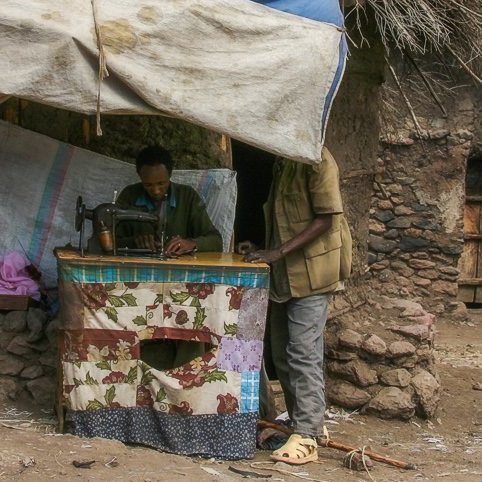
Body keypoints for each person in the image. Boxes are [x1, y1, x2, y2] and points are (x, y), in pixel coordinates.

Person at [245, 147, 352, 465]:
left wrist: (277, 252)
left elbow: (326, 218)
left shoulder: (318, 160)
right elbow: (285, 220)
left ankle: (308, 434)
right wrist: (265, 249)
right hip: (286, 275)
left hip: (313, 272)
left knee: (303, 352)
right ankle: (301, 421)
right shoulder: (284, 160)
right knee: (281, 352)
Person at [114, 145, 222, 257]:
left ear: (170, 174)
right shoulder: (129, 196)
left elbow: (216, 240)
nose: (156, 191)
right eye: (148, 185)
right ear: (140, 177)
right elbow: (109, 242)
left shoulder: (187, 196)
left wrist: (192, 244)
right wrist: (134, 241)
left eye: (161, 184)